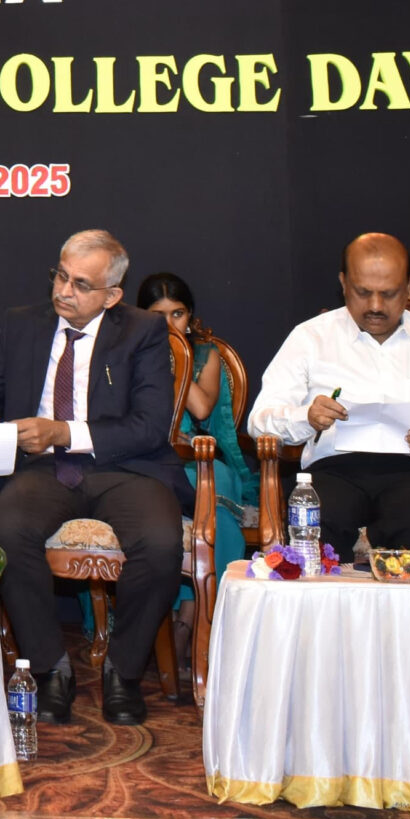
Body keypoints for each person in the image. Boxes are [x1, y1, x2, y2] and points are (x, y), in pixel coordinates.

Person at [0, 230, 188, 726]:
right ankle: (49, 670)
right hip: (44, 469)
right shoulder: (21, 323)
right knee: (7, 532)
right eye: (60, 276)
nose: (64, 291)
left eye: (81, 284)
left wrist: (64, 431)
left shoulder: (144, 331)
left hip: (126, 468)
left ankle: (123, 671)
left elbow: (149, 426)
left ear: (112, 295)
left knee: (160, 542)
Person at [248, 232, 410, 557]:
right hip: (333, 472)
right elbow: (260, 421)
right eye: (363, 293)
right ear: (343, 284)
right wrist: (306, 417)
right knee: (318, 518)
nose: (375, 306)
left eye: (388, 294)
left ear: (409, 287)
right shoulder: (310, 337)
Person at [134, 272, 252, 653]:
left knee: (217, 513)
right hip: (150, 460)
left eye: (178, 314)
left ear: (191, 316)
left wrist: (173, 361)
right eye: (158, 316)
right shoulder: (127, 354)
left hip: (201, 460)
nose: (170, 324)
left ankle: (202, 623)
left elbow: (201, 408)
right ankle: (172, 622)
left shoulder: (206, 355)